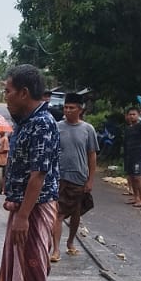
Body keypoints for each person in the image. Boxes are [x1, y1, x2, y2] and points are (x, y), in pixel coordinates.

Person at [0, 64, 61, 281]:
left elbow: (38, 176)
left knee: (35, 274)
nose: (5, 96)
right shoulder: (25, 121)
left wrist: (23, 216)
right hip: (23, 208)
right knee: (24, 274)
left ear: (24, 92)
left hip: (34, 210)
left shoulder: (43, 124)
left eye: (8, 91)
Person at [51, 93, 99, 261]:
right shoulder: (56, 127)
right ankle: (55, 249)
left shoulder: (88, 130)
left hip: (79, 177)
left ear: (80, 110)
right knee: (57, 213)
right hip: (58, 177)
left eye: (72, 108)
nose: (68, 110)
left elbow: (92, 155)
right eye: (66, 107)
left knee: (76, 213)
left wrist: (90, 179)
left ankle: (70, 242)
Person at [121, 106, 141, 208]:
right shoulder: (128, 129)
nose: (132, 116)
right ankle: (136, 197)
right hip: (129, 155)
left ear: (138, 115)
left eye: (134, 114)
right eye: (130, 114)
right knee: (132, 177)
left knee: (138, 177)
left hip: (139, 155)